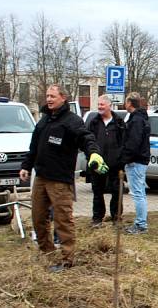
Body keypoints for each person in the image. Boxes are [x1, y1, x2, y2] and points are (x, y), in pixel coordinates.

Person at [19, 84, 105, 272]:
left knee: (62, 220)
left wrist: (94, 153)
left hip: (60, 180)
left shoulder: (71, 121)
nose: (49, 99)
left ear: (63, 98)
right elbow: (34, 147)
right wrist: (26, 165)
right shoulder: (44, 120)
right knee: (38, 218)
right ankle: (48, 254)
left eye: (53, 96)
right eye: (47, 96)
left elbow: (86, 138)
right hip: (40, 177)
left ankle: (67, 260)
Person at [87, 95, 126, 227]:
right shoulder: (93, 123)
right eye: (98, 104)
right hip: (98, 165)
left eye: (102, 104)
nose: (99, 107)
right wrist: (91, 158)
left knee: (116, 192)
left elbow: (124, 142)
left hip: (116, 164)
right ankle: (97, 218)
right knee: (97, 192)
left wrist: (122, 159)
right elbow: (88, 141)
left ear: (109, 105)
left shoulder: (119, 123)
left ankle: (116, 218)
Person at [120, 92, 151, 234]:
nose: (124, 104)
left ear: (130, 103)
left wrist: (124, 159)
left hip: (136, 161)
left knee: (138, 193)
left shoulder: (136, 120)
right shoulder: (140, 118)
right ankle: (140, 222)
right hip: (139, 160)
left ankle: (140, 224)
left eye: (126, 102)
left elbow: (133, 143)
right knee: (140, 193)